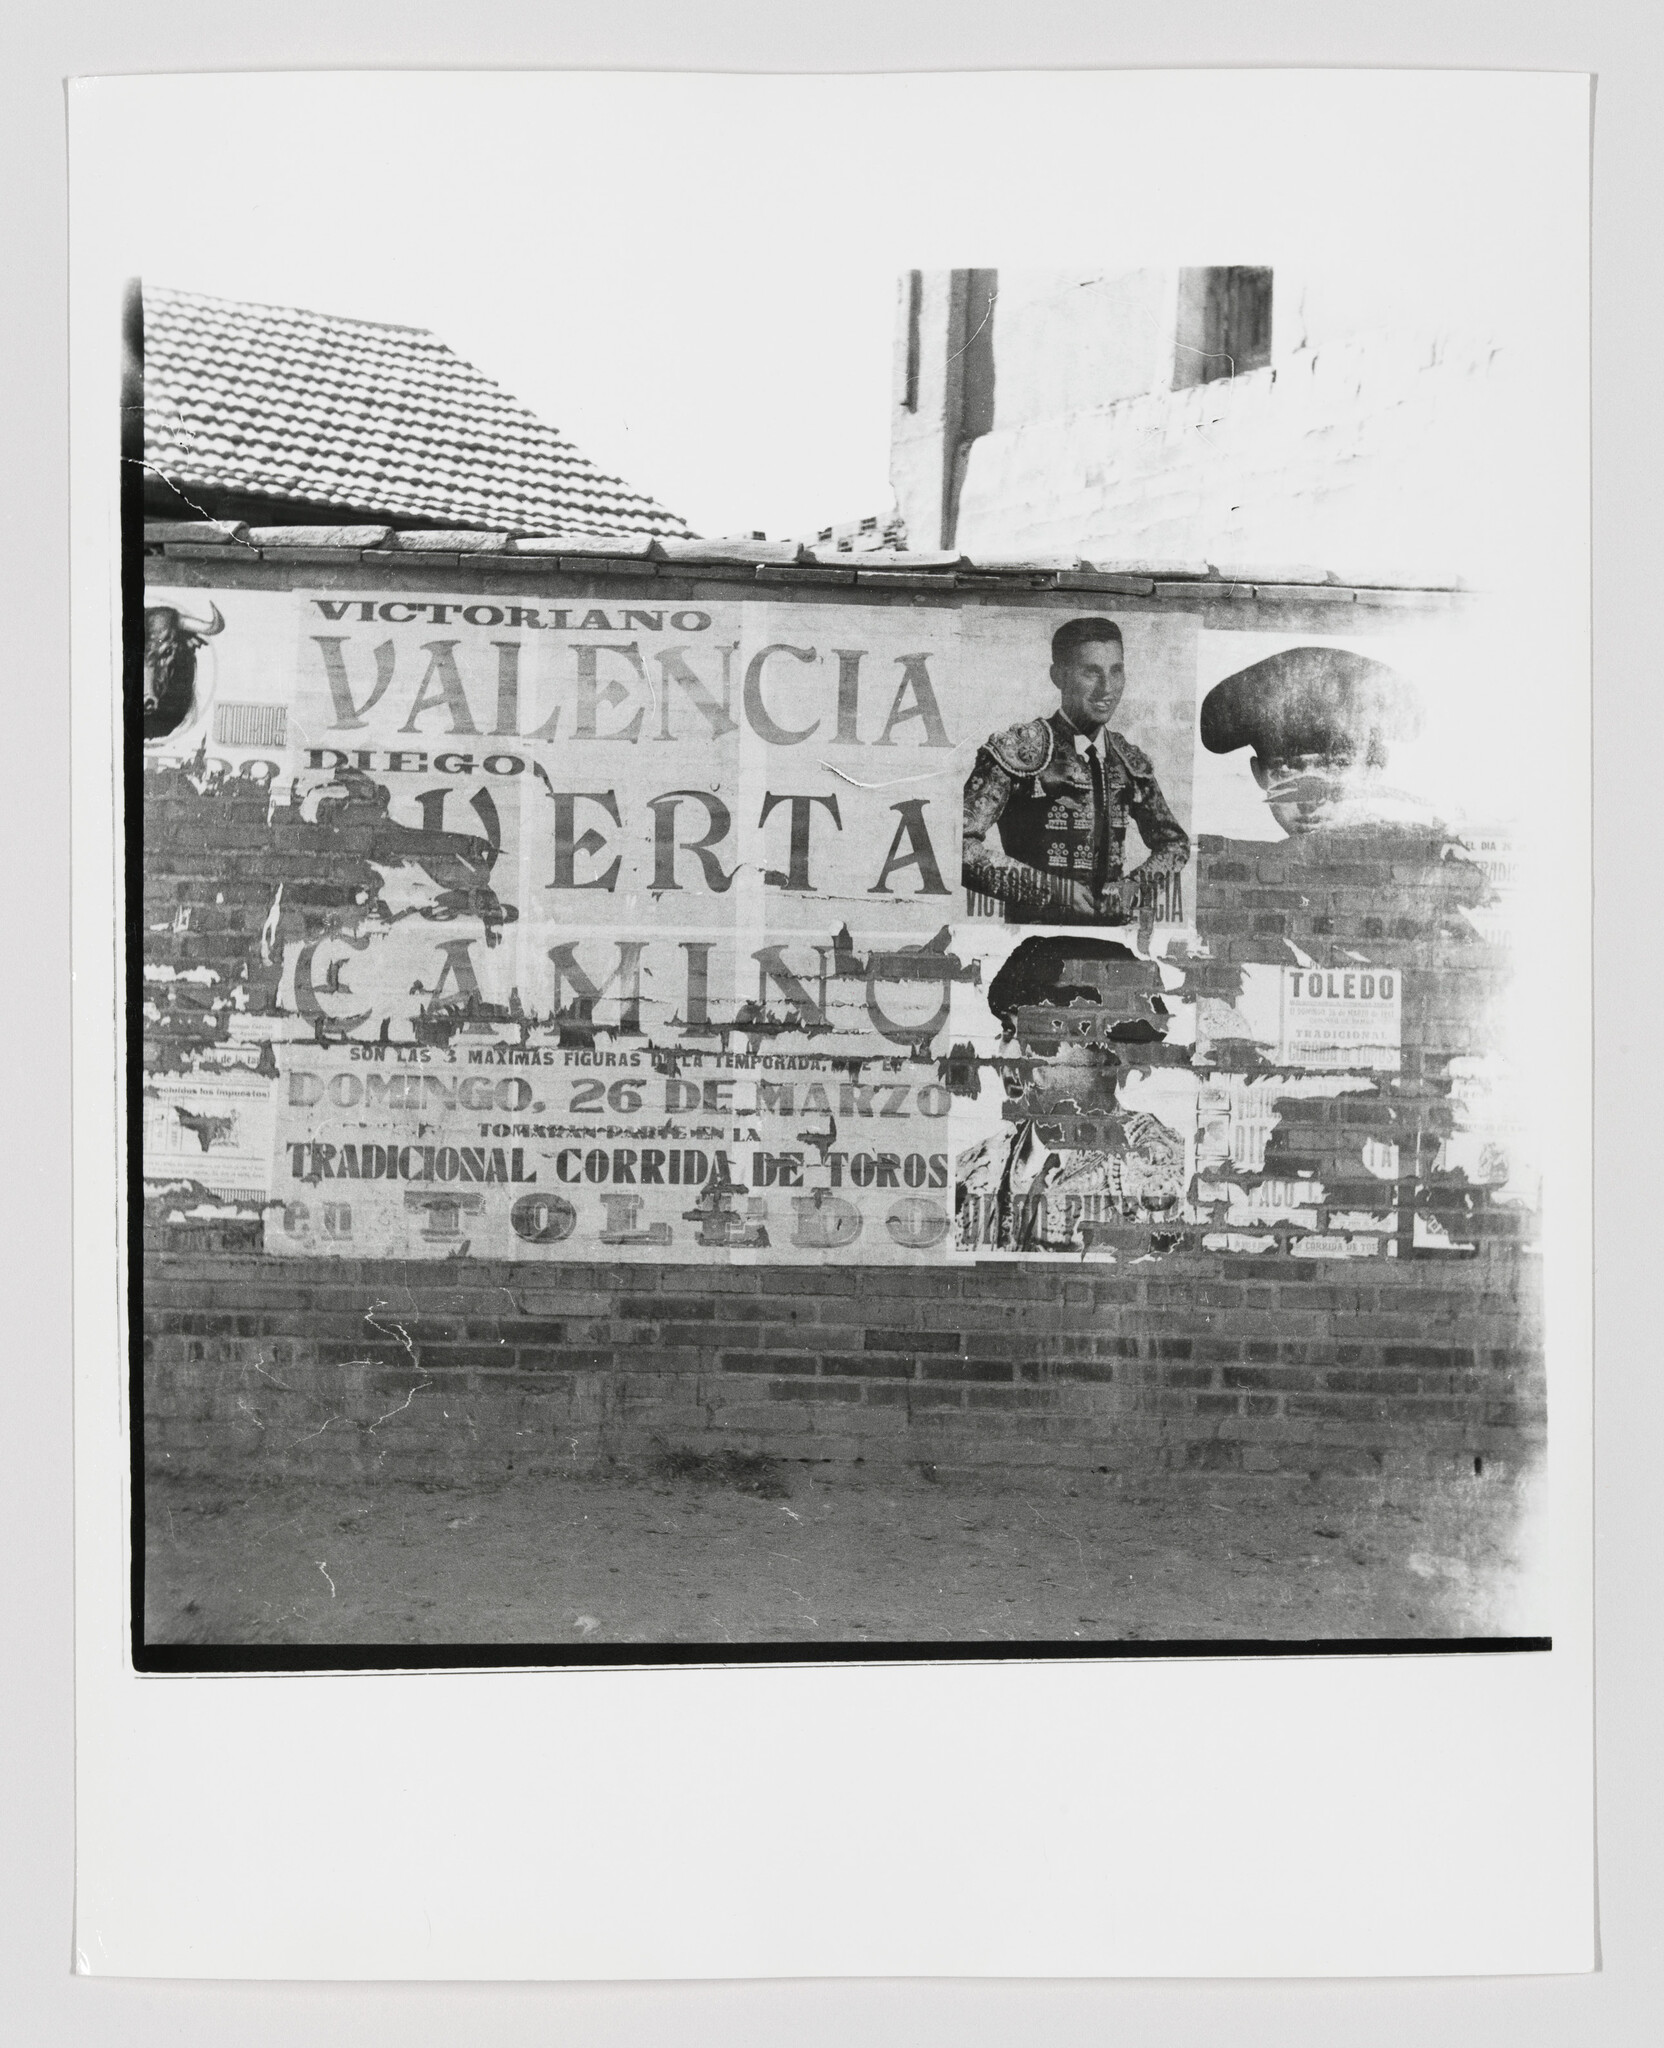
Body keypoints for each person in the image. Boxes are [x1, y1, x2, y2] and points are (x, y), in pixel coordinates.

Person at [962, 616, 1189, 924]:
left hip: (1111, 940)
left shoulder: (1127, 759)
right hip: (1034, 938)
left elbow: (1174, 843)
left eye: (1116, 671)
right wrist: (1052, 889)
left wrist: (1134, 887)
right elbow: (958, 846)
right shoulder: (1018, 751)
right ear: (1059, 676)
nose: (1106, 689)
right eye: (1091, 672)